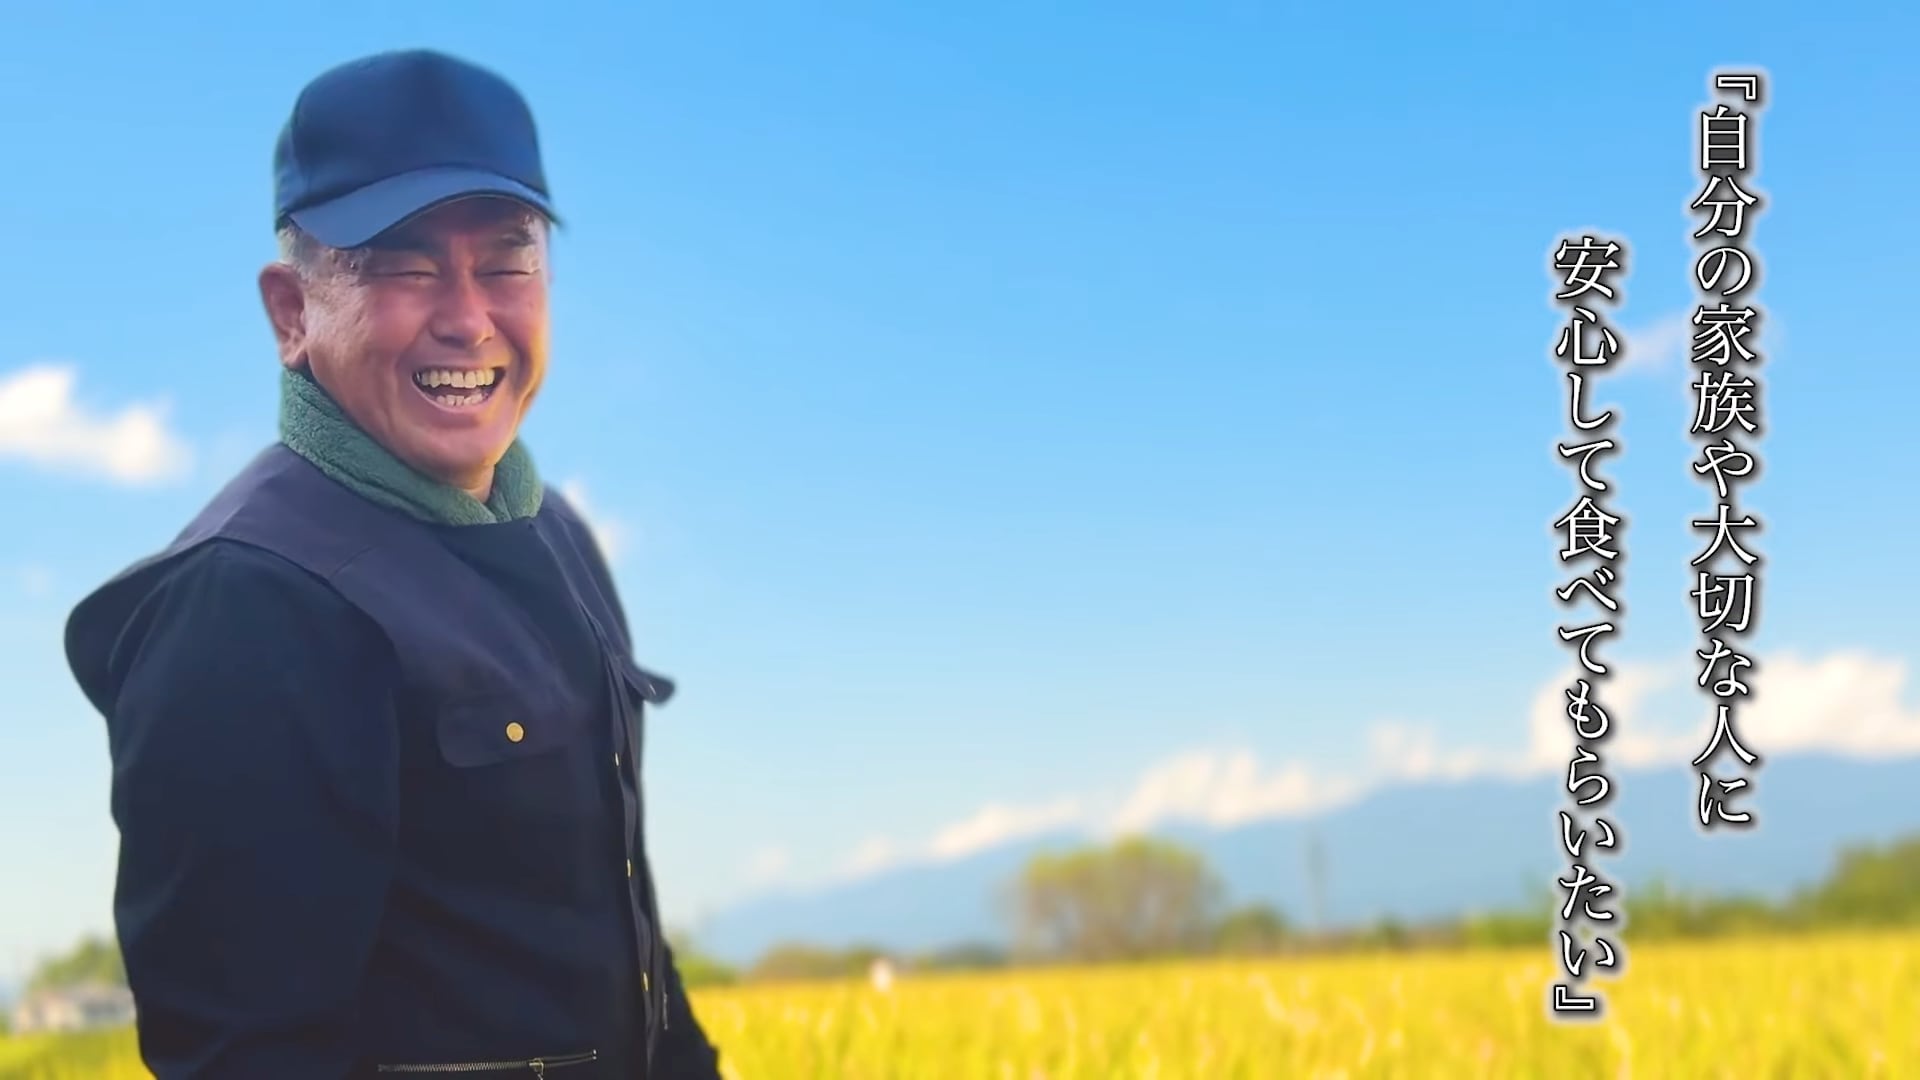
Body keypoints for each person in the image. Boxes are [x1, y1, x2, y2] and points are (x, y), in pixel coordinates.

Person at [63, 49, 723, 1079]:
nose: (466, 317)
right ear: (292, 314)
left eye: (505, 262)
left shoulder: (554, 536)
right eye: (404, 266)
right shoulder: (245, 604)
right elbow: (245, 1057)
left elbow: (618, 915)